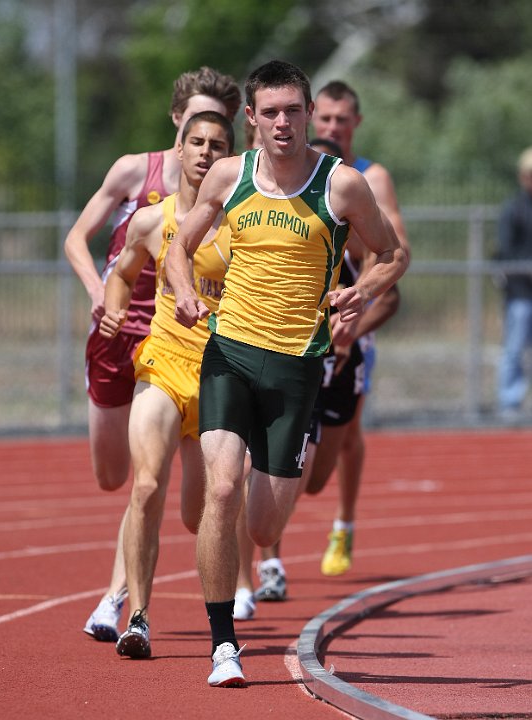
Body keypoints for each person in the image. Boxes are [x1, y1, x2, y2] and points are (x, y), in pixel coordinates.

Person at [165, 60, 408, 687]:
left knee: (263, 523)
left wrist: (363, 292)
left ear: (306, 114)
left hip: (298, 367)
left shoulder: (342, 186)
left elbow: (392, 254)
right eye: (269, 111)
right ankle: (224, 645)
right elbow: (178, 248)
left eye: (292, 111)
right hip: (229, 351)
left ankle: (285, 465)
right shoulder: (230, 174)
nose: (282, 122)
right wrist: (187, 292)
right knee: (222, 489)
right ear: (251, 118)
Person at [66, 68, 241, 641]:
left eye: (217, 143)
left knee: (200, 513)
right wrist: (105, 301)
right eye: (197, 139)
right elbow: (109, 264)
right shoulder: (146, 200)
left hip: (218, 372)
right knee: (132, 482)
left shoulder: (245, 220)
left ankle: (212, 577)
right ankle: (132, 613)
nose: (205, 151)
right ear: (179, 131)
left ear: (230, 151)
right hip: (153, 354)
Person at [307, 79, 409, 578]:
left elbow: (393, 256)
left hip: (356, 313)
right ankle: (269, 555)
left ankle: (344, 525)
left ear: (356, 123)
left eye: (340, 120)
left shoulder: (372, 176)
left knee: (347, 434)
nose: (332, 127)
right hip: (301, 320)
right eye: (324, 119)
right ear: (311, 118)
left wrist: (355, 318)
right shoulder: (295, 171)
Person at [496, 146, 532, 419]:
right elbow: (506, 251)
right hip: (521, 293)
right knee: (515, 347)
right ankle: (510, 400)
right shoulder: (514, 209)